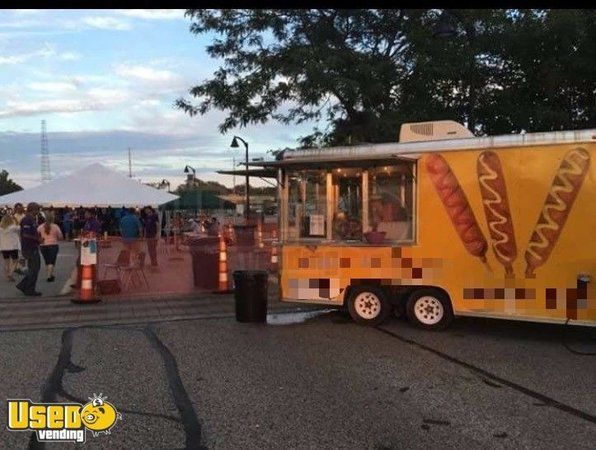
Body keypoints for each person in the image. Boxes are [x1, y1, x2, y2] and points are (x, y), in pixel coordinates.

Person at [16, 202, 42, 296]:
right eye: (37, 209)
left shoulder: (31, 219)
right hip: (29, 248)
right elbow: (26, 234)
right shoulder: (27, 220)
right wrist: (37, 239)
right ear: (33, 209)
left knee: (33, 269)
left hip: (32, 247)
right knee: (34, 268)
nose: (38, 211)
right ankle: (29, 288)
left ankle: (23, 285)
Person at [37, 212, 63, 282]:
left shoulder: (40, 226)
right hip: (53, 244)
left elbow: (37, 235)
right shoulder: (55, 226)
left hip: (43, 245)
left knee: (47, 261)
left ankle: (50, 274)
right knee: (52, 261)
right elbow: (60, 237)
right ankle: (49, 276)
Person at [0, 214, 20, 282]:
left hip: (3, 247)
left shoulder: (0, 228)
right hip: (13, 247)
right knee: (15, 261)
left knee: (6, 262)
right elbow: (19, 228)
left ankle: (7, 275)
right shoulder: (13, 227)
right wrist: (16, 220)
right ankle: (10, 273)